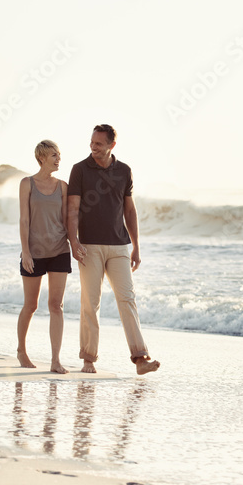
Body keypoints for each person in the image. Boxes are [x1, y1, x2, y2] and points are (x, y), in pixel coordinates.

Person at [67, 124, 160, 375]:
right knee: (91, 302)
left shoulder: (124, 171)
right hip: (89, 246)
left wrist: (136, 246)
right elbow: (72, 209)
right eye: (91, 142)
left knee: (127, 299)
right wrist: (73, 241)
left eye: (98, 143)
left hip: (119, 245)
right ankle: (88, 358)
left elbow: (130, 210)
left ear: (111, 145)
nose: (93, 147)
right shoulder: (79, 170)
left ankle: (140, 358)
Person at [17, 139, 73, 374]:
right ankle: (21, 350)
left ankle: (55, 360)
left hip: (59, 249)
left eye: (59, 155)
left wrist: (76, 244)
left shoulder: (62, 186)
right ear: (41, 158)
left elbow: (66, 219)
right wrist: (26, 252)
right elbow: (24, 219)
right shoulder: (27, 184)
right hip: (35, 252)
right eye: (53, 155)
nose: (58, 159)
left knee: (56, 305)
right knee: (31, 305)